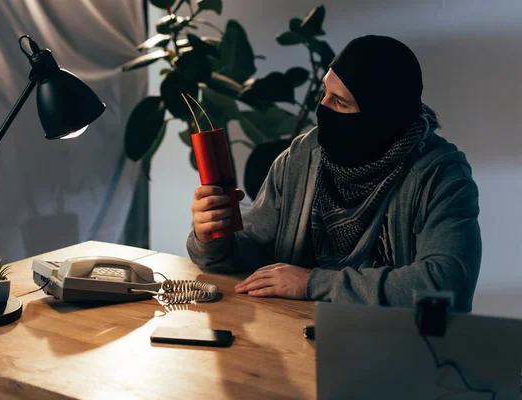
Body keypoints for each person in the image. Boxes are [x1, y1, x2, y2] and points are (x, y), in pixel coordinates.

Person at [186, 35, 481, 312]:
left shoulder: (440, 176)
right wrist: (212, 236)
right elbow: (252, 251)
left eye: (340, 102)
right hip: (296, 336)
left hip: (396, 346)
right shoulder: (302, 157)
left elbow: (448, 285)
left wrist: (311, 283)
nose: (322, 108)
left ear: (379, 119)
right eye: (324, 92)